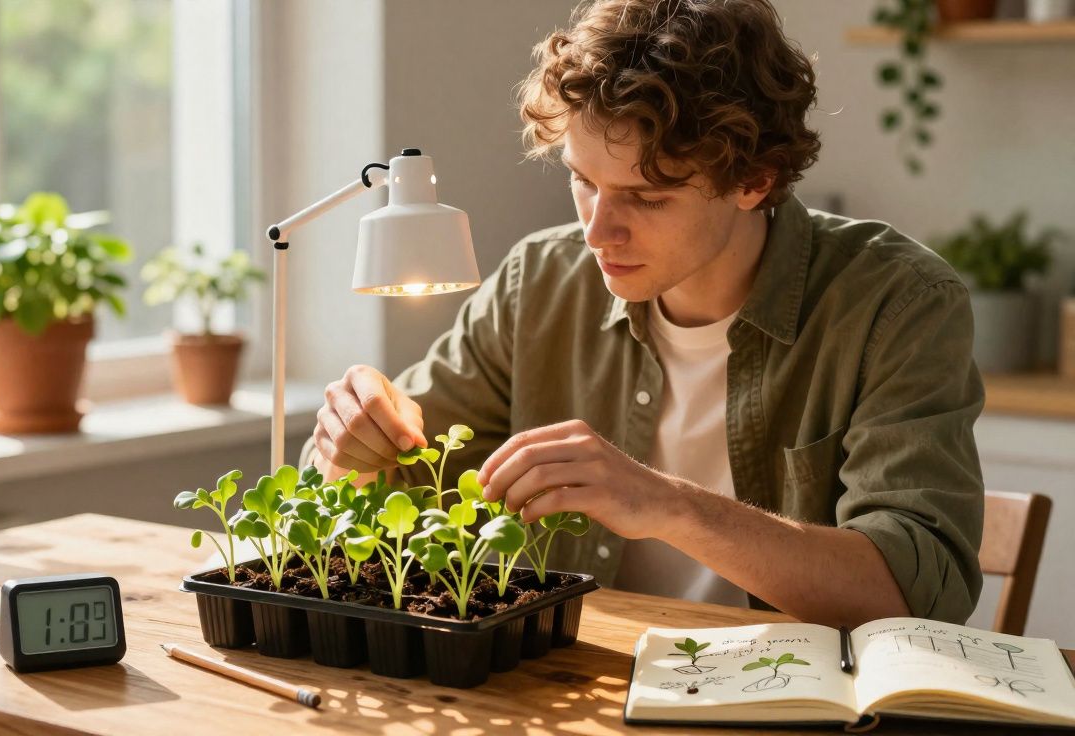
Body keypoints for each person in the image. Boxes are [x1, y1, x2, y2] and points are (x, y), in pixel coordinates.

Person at [301, 0, 984, 628]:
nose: (598, 232)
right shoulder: (539, 282)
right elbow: (374, 491)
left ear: (755, 180)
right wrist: (353, 444)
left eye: (648, 197)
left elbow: (918, 591)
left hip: (791, 695)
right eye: (583, 180)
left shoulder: (895, 302)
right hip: (573, 684)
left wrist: (666, 504)